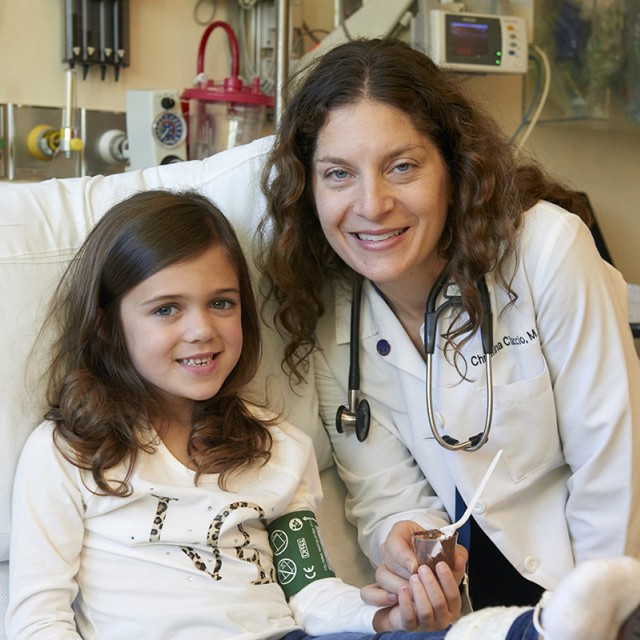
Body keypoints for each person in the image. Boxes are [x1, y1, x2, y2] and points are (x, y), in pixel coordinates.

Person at [257, 36, 640, 619]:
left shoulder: (545, 251)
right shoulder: (333, 308)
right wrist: (406, 548)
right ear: (308, 189)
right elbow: (385, 491)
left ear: (453, 167)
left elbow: (613, 471)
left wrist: (595, 616)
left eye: (402, 166)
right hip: (472, 617)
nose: (372, 204)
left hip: (592, 590)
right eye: (338, 174)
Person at [6, 189, 461, 639]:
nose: (202, 330)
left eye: (221, 303)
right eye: (166, 309)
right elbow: (38, 622)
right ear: (107, 327)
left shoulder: (276, 446)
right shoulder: (70, 452)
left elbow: (312, 591)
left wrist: (384, 618)